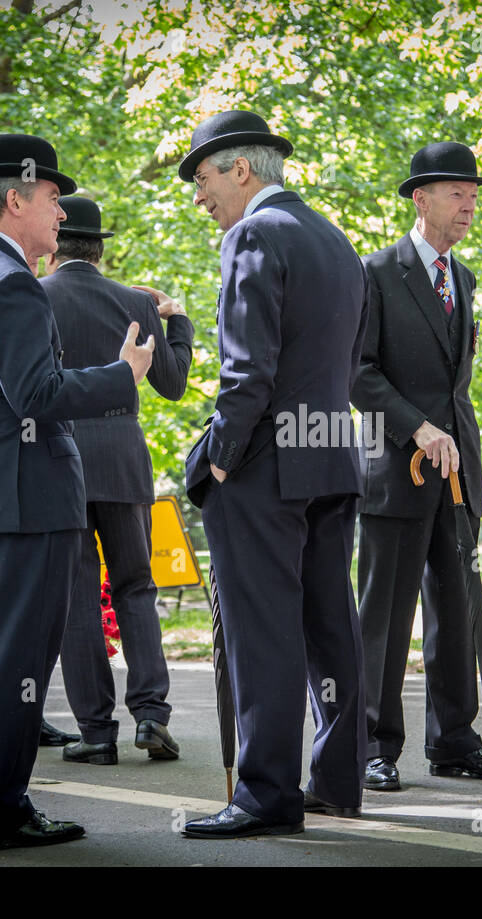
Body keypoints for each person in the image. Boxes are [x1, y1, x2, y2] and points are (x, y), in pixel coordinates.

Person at [0, 132, 155, 852]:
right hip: (30, 499)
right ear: (15, 199)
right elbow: (37, 393)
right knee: (19, 662)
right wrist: (124, 375)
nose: (60, 215)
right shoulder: (11, 280)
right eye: (52, 200)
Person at [179, 110, 368, 838]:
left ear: (241, 169)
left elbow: (246, 372)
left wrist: (217, 457)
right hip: (329, 453)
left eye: (202, 178)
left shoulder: (253, 235)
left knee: (264, 634)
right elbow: (348, 363)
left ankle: (265, 796)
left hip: (263, 466)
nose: (200, 196)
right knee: (330, 625)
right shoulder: (336, 240)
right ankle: (338, 779)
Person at [351, 141, 482, 791]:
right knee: (386, 616)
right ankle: (373, 744)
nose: (470, 204)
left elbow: (456, 385)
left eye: (474, 194)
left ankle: (453, 741)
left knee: (457, 613)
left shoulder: (466, 278)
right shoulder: (374, 273)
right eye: (457, 193)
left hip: (459, 474)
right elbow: (355, 371)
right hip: (396, 469)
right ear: (420, 199)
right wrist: (415, 429)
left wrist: (451, 437)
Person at [39, 194, 195, 766]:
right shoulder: (134, 302)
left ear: (57, 245)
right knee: (136, 589)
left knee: (78, 597)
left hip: (60, 460)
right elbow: (173, 384)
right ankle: (151, 715)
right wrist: (179, 323)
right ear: (101, 247)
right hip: (124, 461)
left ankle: (96, 733)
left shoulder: (34, 297)